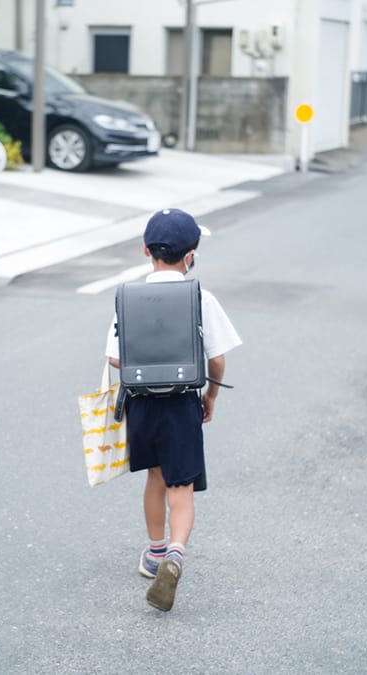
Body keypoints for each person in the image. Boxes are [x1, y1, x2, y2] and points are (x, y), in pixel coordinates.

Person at [105, 208, 242, 612]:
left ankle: (154, 553)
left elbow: (115, 358)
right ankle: (176, 555)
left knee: (155, 477)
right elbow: (217, 359)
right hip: (182, 403)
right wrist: (210, 396)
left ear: (146, 250)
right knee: (181, 487)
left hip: (142, 404)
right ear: (191, 255)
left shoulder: (127, 298)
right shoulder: (201, 297)